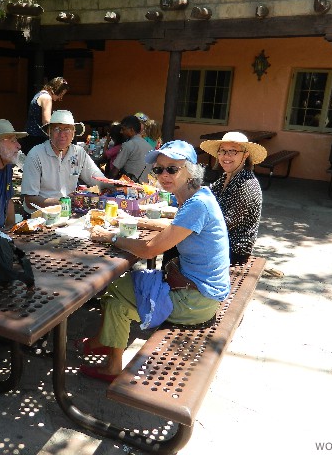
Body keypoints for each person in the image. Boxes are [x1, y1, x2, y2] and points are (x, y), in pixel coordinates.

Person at [80, 140, 230, 381]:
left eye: (172, 169)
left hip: (195, 301)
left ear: (190, 170)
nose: (164, 175)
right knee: (118, 289)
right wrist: (135, 221)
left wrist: (112, 237)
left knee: (116, 290)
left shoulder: (196, 205)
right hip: (201, 293)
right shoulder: (197, 197)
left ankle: (110, 361)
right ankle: (107, 345)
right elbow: (174, 227)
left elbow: (150, 250)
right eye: (159, 169)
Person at [21, 109, 109, 214]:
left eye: (67, 129)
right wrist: (64, 202)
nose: (62, 134)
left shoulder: (79, 153)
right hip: (40, 216)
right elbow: (30, 200)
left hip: (68, 213)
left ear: (73, 133)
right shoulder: (36, 154)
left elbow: (98, 180)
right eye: (57, 129)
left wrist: (119, 186)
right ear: (49, 132)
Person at [199, 131, 267, 265]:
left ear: (245, 155)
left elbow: (224, 223)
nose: (226, 156)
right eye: (222, 151)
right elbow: (205, 197)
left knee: (175, 247)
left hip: (233, 251)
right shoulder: (226, 177)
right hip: (217, 243)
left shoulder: (247, 184)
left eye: (233, 151)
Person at [21, 77, 69, 155]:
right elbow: (46, 122)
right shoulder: (47, 98)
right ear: (57, 90)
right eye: (61, 94)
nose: (60, 98)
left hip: (29, 136)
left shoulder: (40, 94)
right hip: (37, 138)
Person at [110, 115, 152, 183]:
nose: (121, 132)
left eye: (123, 129)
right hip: (145, 186)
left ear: (131, 130)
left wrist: (106, 184)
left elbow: (115, 171)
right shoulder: (149, 146)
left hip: (129, 186)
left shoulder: (128, 145)